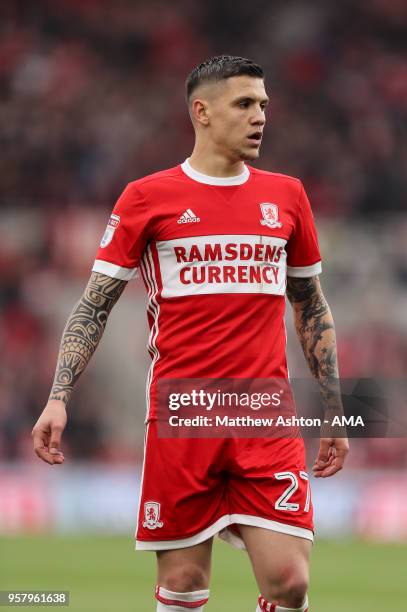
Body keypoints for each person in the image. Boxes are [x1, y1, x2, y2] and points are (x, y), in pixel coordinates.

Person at [32, 55, 349, 612]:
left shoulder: (288, 197)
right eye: (245, 104)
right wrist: (59, 397)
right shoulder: (147, 198)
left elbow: (311, 307)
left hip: (263, 414)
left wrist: (334, 406)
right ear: (201, 112)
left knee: (291, 583)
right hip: (185, 415)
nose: (260, 117)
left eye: (264, 105)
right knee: (182, 583)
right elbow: (93, 306)